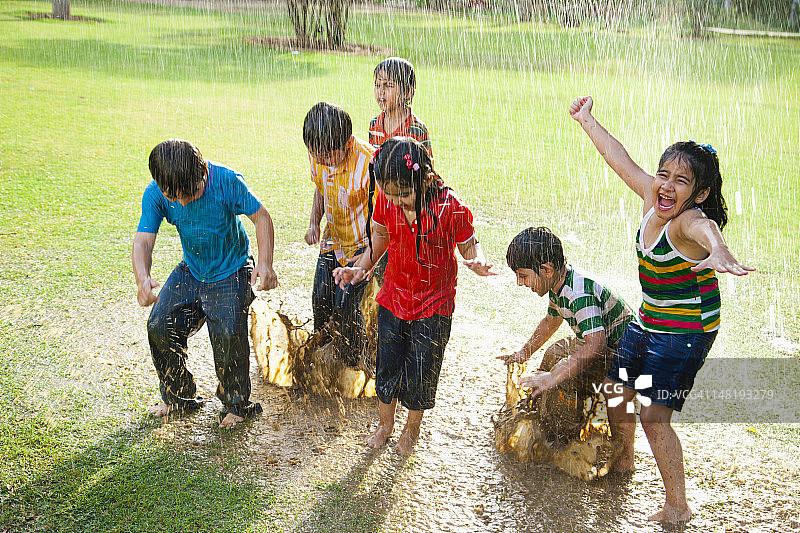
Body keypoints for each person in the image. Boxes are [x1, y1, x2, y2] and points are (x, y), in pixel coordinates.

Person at [570, 95, 754, 523]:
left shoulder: (688, 222)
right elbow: (619, 160)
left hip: (687, 332)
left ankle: (677, 506)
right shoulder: (655, 200)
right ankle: (625, 458)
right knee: (617, 387)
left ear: (700, 193)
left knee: (655, 417)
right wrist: (587, 121)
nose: (667, 186)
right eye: (663, 175)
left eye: (682, 182)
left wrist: (721, 250)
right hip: (651, 318)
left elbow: (707, 229)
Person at [333, 137, 495, 456]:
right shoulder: (388, 199)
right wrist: (361, 268)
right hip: (394, 296)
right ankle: (385, 425)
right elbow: (380, 236)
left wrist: (476, 259)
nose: (398, 202)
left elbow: (469, 243)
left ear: (424, 178)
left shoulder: (450, 208)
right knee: (387, 366)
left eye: (404, 194)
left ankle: (412, 428)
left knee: (422, 370)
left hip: (434, 304)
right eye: (390, 195)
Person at [132, 139, 278, 429]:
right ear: (163, 189)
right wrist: (142, 277)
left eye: (191, 193)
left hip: (232, 269)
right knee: (160, 325)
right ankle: (179, 397)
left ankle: (236, 404)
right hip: (193, 269)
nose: (184, 202)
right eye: (176, 197)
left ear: (201, 176)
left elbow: (261, 217)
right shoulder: (158, 193)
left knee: (227, 330)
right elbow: (144, 240)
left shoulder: (226, 181)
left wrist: (265, 263)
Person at [497, 226, 633, 445]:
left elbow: (596, 344)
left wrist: (555, 376)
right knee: (554, 354)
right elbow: (551, 322)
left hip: (623, 356)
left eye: (523, 276)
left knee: (563, 377)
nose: (519, 283)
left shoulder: (578, 293)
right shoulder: (559, 285)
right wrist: (523, 353)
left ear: (546, 270)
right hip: (605, 348)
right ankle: (542, 410)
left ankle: (563, 437)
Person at [303, 102, 376, 366]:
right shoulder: (318, 153)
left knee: (346, 307)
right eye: (315, 155)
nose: (320, 160)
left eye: (326, 156)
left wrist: (370, 259)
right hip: (333, 241)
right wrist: (314, 222)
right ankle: (324, 363)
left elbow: (384, 222)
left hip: (365, 247)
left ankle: (355, 366)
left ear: (347, 143)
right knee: (321, 299)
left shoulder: (370, 165)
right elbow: (321, 188)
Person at [369, 57, 432, 157]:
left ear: (407, 92)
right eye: (377, 85)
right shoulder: (374, 125)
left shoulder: (417, 129)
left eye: (389, 85)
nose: (381, 91)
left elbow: (427, 169)